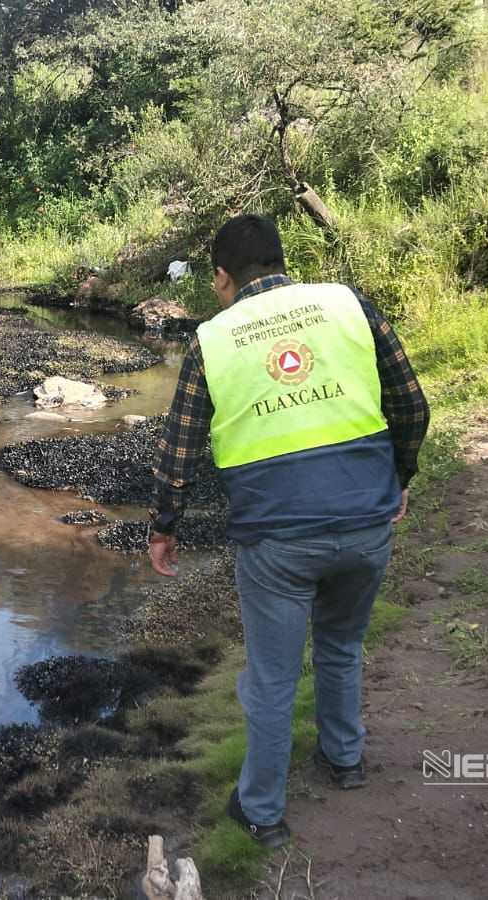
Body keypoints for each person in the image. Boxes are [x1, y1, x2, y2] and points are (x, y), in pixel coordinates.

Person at [147, 214, 429, 849]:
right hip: (365, 521)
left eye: (215, 281)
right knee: (341, 645)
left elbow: (179, 451)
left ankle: (263, 812)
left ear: (222, 277)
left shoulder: (212, 339)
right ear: (281, 262)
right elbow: (411, 404)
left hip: (276, 540)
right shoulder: (349, 304)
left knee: (272, 678)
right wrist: (398, 477)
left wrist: (164, 527)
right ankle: (345, 760)